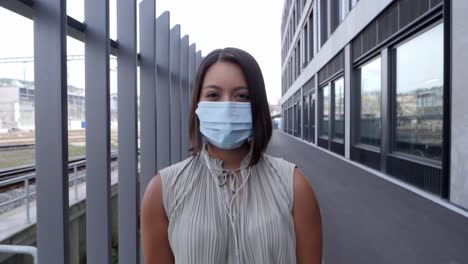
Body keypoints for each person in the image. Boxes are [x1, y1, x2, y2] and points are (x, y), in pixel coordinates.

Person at [141, 47, 322, 264]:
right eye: (213, 95)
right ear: (197, 104)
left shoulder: (294, 186)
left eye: (242, 96)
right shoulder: (162, 190)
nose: (227, 107)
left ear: (257, 106)